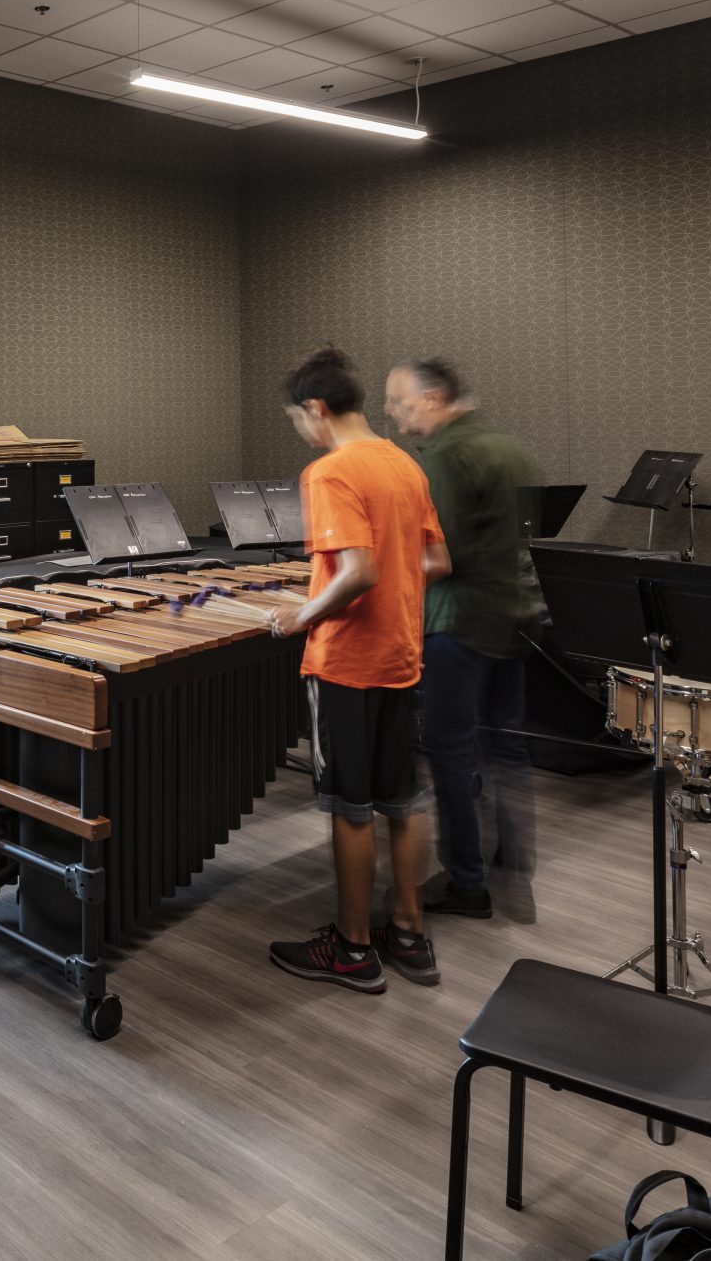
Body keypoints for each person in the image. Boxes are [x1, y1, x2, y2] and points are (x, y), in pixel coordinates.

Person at [268, 346, 447, 995]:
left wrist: (300, 614)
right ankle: (407, 931)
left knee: (351, 805)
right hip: (401, 655)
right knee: (402, 797)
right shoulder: (404, 464)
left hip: (347, 661)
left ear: (317, 409)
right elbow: (435, 560)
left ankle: (351, 947)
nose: (304, 432)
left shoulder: (331, 470)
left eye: (299, 421)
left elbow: (358, 572)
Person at [384, 359, 540, 923]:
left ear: (431, 398)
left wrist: (374, 585)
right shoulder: (503, 446)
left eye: (400, 405)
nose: (396, 419)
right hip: (510, 616)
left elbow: (437, 556)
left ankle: (467, 884)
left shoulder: (447, 454)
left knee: (449, 751)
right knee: (506, 749)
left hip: (457, 624)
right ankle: (514, 869)